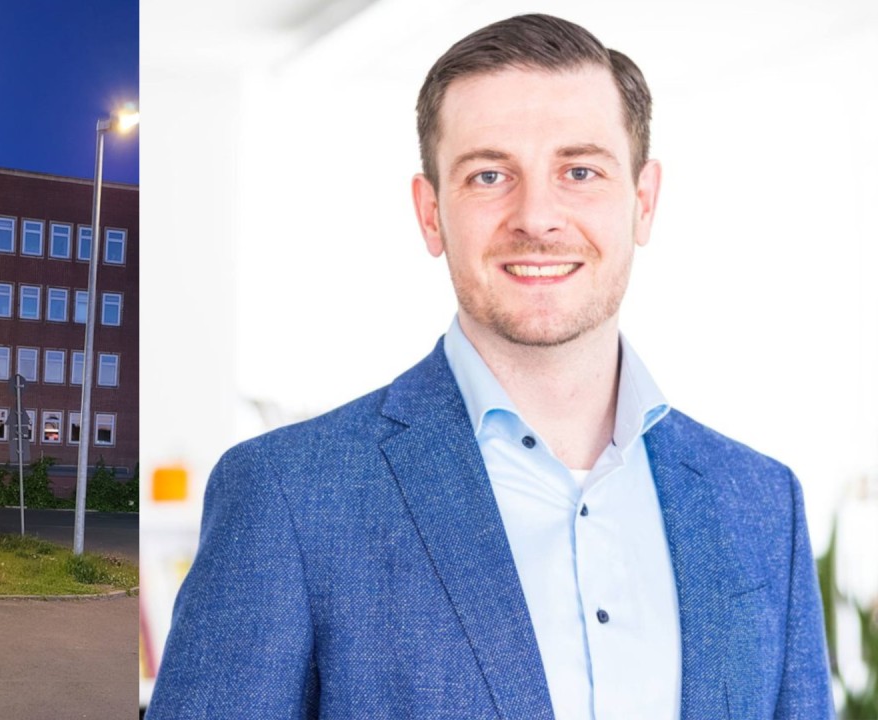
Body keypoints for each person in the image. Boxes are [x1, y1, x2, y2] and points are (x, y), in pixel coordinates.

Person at [147, 13, 832, 720]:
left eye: (580, 170)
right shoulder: (289, 496)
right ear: (431, 213)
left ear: (644, 202)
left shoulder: (762, 505)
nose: (537, 216)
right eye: (490, 174)